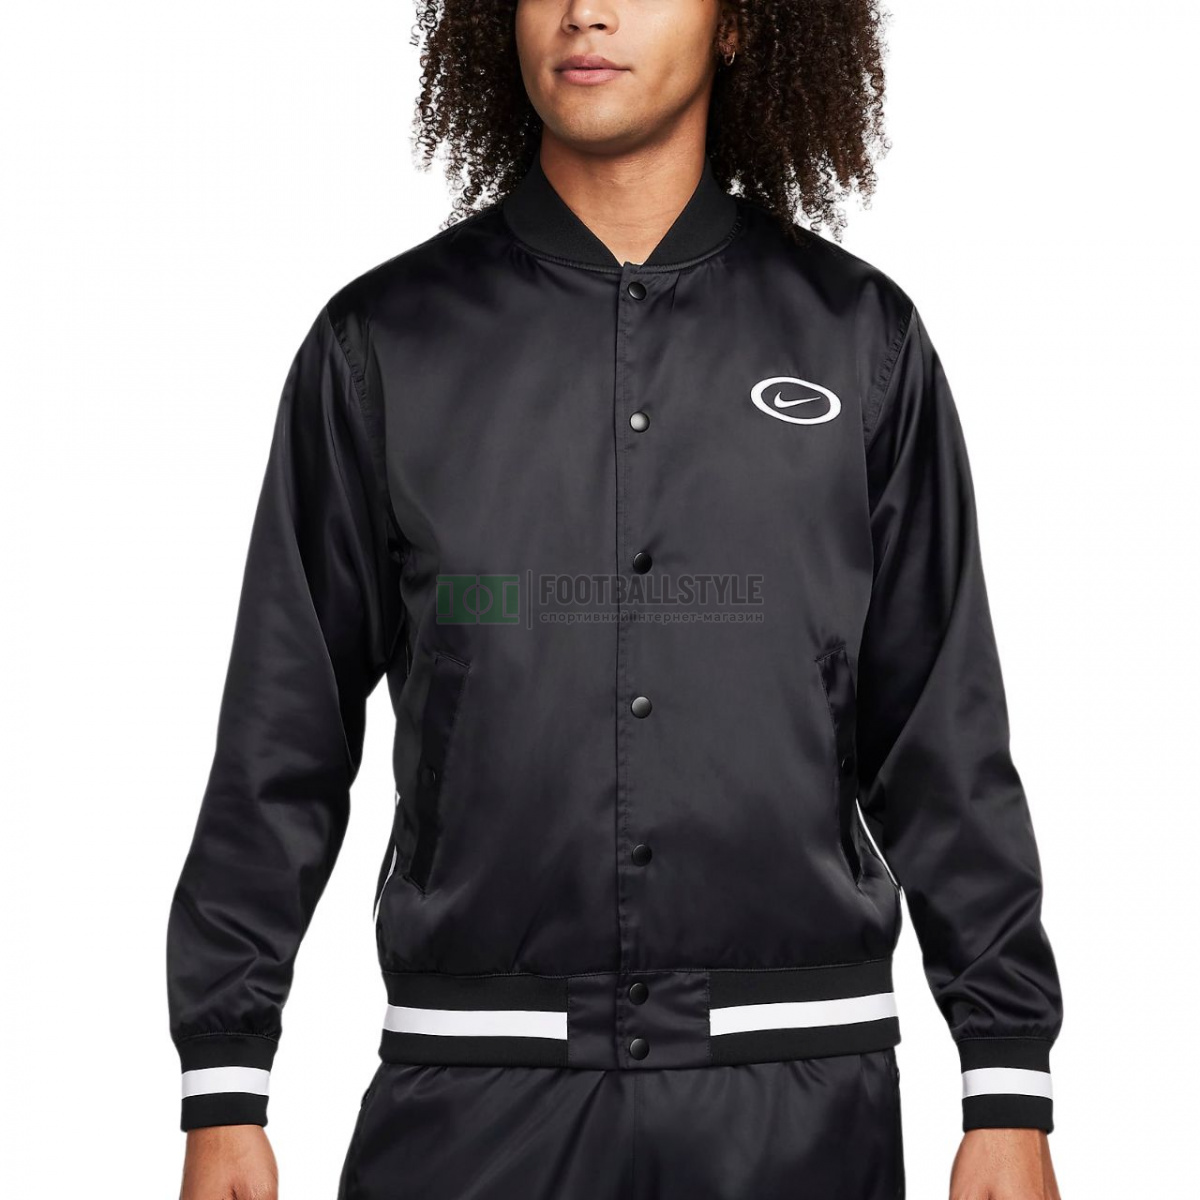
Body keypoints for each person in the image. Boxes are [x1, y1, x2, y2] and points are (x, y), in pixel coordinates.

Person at [167, 2, 1064, 1198]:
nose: (586, 10)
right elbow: (282, 731)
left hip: (795, 1098)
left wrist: (1005, 1076)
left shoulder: (860, 343)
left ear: (738, 24)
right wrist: (226, 1074)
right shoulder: (384, 345)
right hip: (474, 1090)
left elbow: (941, 732)